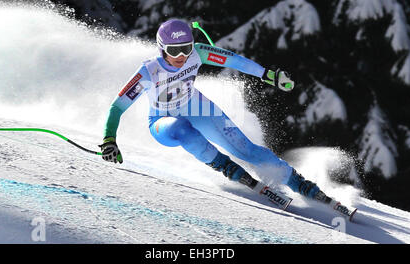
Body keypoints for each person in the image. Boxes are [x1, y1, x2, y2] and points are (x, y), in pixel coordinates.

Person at [99, 19, 328, 202]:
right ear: (162, 50)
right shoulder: (149, 71)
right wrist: (109, 139)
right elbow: (117, 107)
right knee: (183, 129)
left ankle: (297, 182)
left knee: (246, 149)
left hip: (197, 108)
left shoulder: (198, 52)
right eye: (174, 51)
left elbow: (235, 61)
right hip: (163, 121)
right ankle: (225, 166)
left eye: (185, 49)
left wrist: (269, 75)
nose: (181, 57)